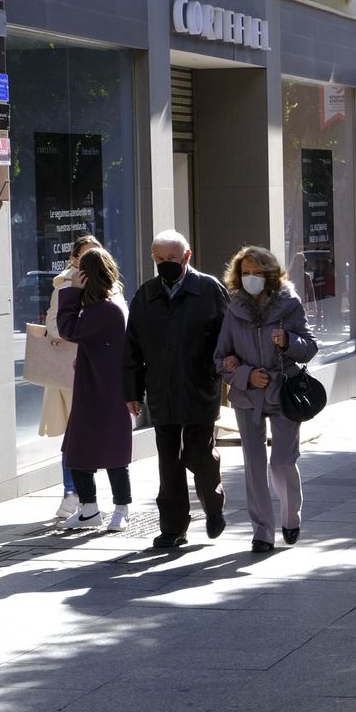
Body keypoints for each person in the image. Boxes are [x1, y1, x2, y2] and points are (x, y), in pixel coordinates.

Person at [122, 230, 231, 549]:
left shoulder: (209, 289)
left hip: (199, 386)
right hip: (161, 390)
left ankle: (213, 506)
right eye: (160, 258)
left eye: (172, 258)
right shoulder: (145, 295)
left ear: (187, 256)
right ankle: (173, 528)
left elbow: (228, 337)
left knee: (198, 452)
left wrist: (221, 371)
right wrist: (132, 391)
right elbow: (132, 348)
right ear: (153, 258)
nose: (165, 263)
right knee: (168, 462)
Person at [215, 246, 318, 553]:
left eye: (257, 272)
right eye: (245, 272)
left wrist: (288, 341)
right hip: (248, 396)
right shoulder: (234, 308)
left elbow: (310, 347)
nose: (251, 278)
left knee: (282, 461)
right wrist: (246, 375)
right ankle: (262, 531)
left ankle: (290, 515)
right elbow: (220, 359)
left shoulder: (289, 303)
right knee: (254, 465)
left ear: (270, 274)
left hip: (284, 391)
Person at [55, 248, 134, 530]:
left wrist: (71, 293)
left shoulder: (106, 309)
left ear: (88, 277)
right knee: (79, 449)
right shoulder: (105, 306)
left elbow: (67, 329)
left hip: (105, 388)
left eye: (80, 274)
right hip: (97, 386)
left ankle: (120, 509)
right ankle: (90, 510)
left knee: (111, 451)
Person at [42, 235, 103, 520]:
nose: (91, 261)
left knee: (95, 433)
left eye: (96, 254)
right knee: (75, 433)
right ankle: (72, 493)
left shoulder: (110, 284)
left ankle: (87, 497)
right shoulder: (65, 285)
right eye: (86, 255)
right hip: (72, 370)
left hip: (100, 368)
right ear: (74, 259)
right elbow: (54, 326)